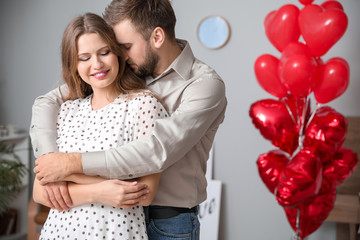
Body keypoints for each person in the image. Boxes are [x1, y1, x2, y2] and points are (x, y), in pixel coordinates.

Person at [31, 0, 227, 239]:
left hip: (167, 220)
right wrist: (50, 160)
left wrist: (69, 166)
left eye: (124, 46)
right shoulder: (125, 70)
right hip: (107, 216)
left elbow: (155, 151)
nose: (119, 55)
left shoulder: (204, 86)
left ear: (157, 37)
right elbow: (47, 102)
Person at [32, 12, 169, 240]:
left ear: (118, 54)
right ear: (73, 65)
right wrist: (100, 191)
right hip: (58, 232)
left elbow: (144, 194)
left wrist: (69, 174)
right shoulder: (67, 111)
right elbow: (40, 191)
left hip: (116, 233)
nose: (97, 64)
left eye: (104, 52)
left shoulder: (144, 105)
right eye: (84, 58)